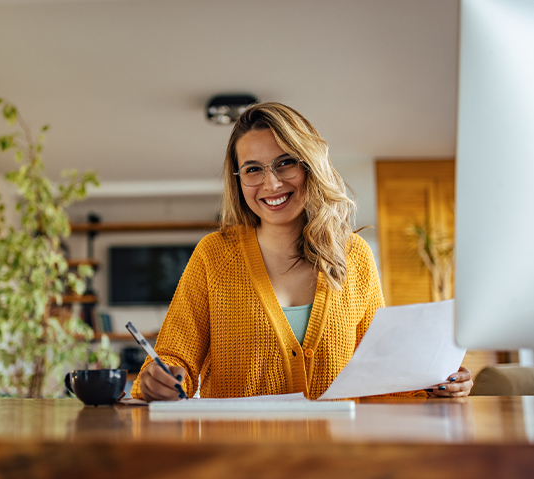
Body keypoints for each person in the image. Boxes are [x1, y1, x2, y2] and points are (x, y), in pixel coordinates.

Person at [131, 102, 473, 403]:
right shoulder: (214, 256)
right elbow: (175, 359)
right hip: (239, 464)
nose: (272, 183)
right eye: (253, 169)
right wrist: (156, 381)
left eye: (285, 163)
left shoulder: (354, 257)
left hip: (341, 461)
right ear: (239, 180)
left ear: (309, 165)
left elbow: (381, 376)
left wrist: (435, 382)